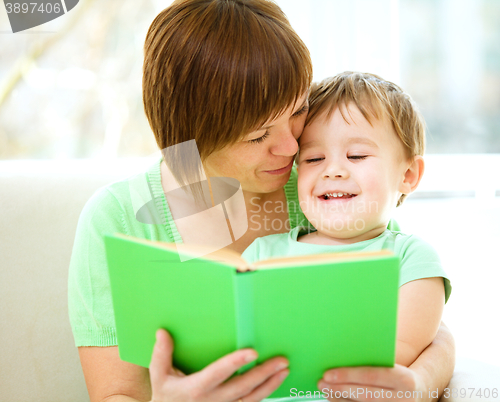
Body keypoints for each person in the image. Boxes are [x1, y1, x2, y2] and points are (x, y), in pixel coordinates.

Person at [68, 1, 455, 402]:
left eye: (297, 111)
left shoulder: (312, 184)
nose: (291, 146)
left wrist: (420, 385)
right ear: (188, 140)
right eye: (257, 136)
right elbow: (116, 393)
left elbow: (424, 323)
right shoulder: (117, 218)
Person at [241, 72, 452, 399]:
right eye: (313, 159)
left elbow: (399, 352)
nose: (333, 170)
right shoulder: (259, 254)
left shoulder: (412, 258)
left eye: (356, 156)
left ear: (408, 175)